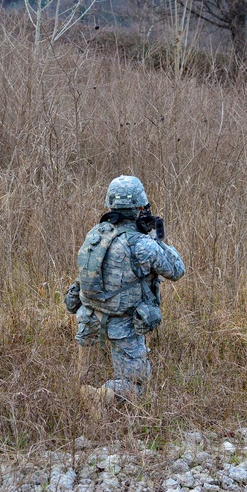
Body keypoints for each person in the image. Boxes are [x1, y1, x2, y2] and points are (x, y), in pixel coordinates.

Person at [67, 176, 185, 415]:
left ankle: (82, 394)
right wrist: (157, 239)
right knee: (137, 384)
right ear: (140, 206)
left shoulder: (96, 234)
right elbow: (177, 270)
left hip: (89, 317)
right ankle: (103, 395)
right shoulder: (142, 244)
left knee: (84, 375)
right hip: (123, 324)